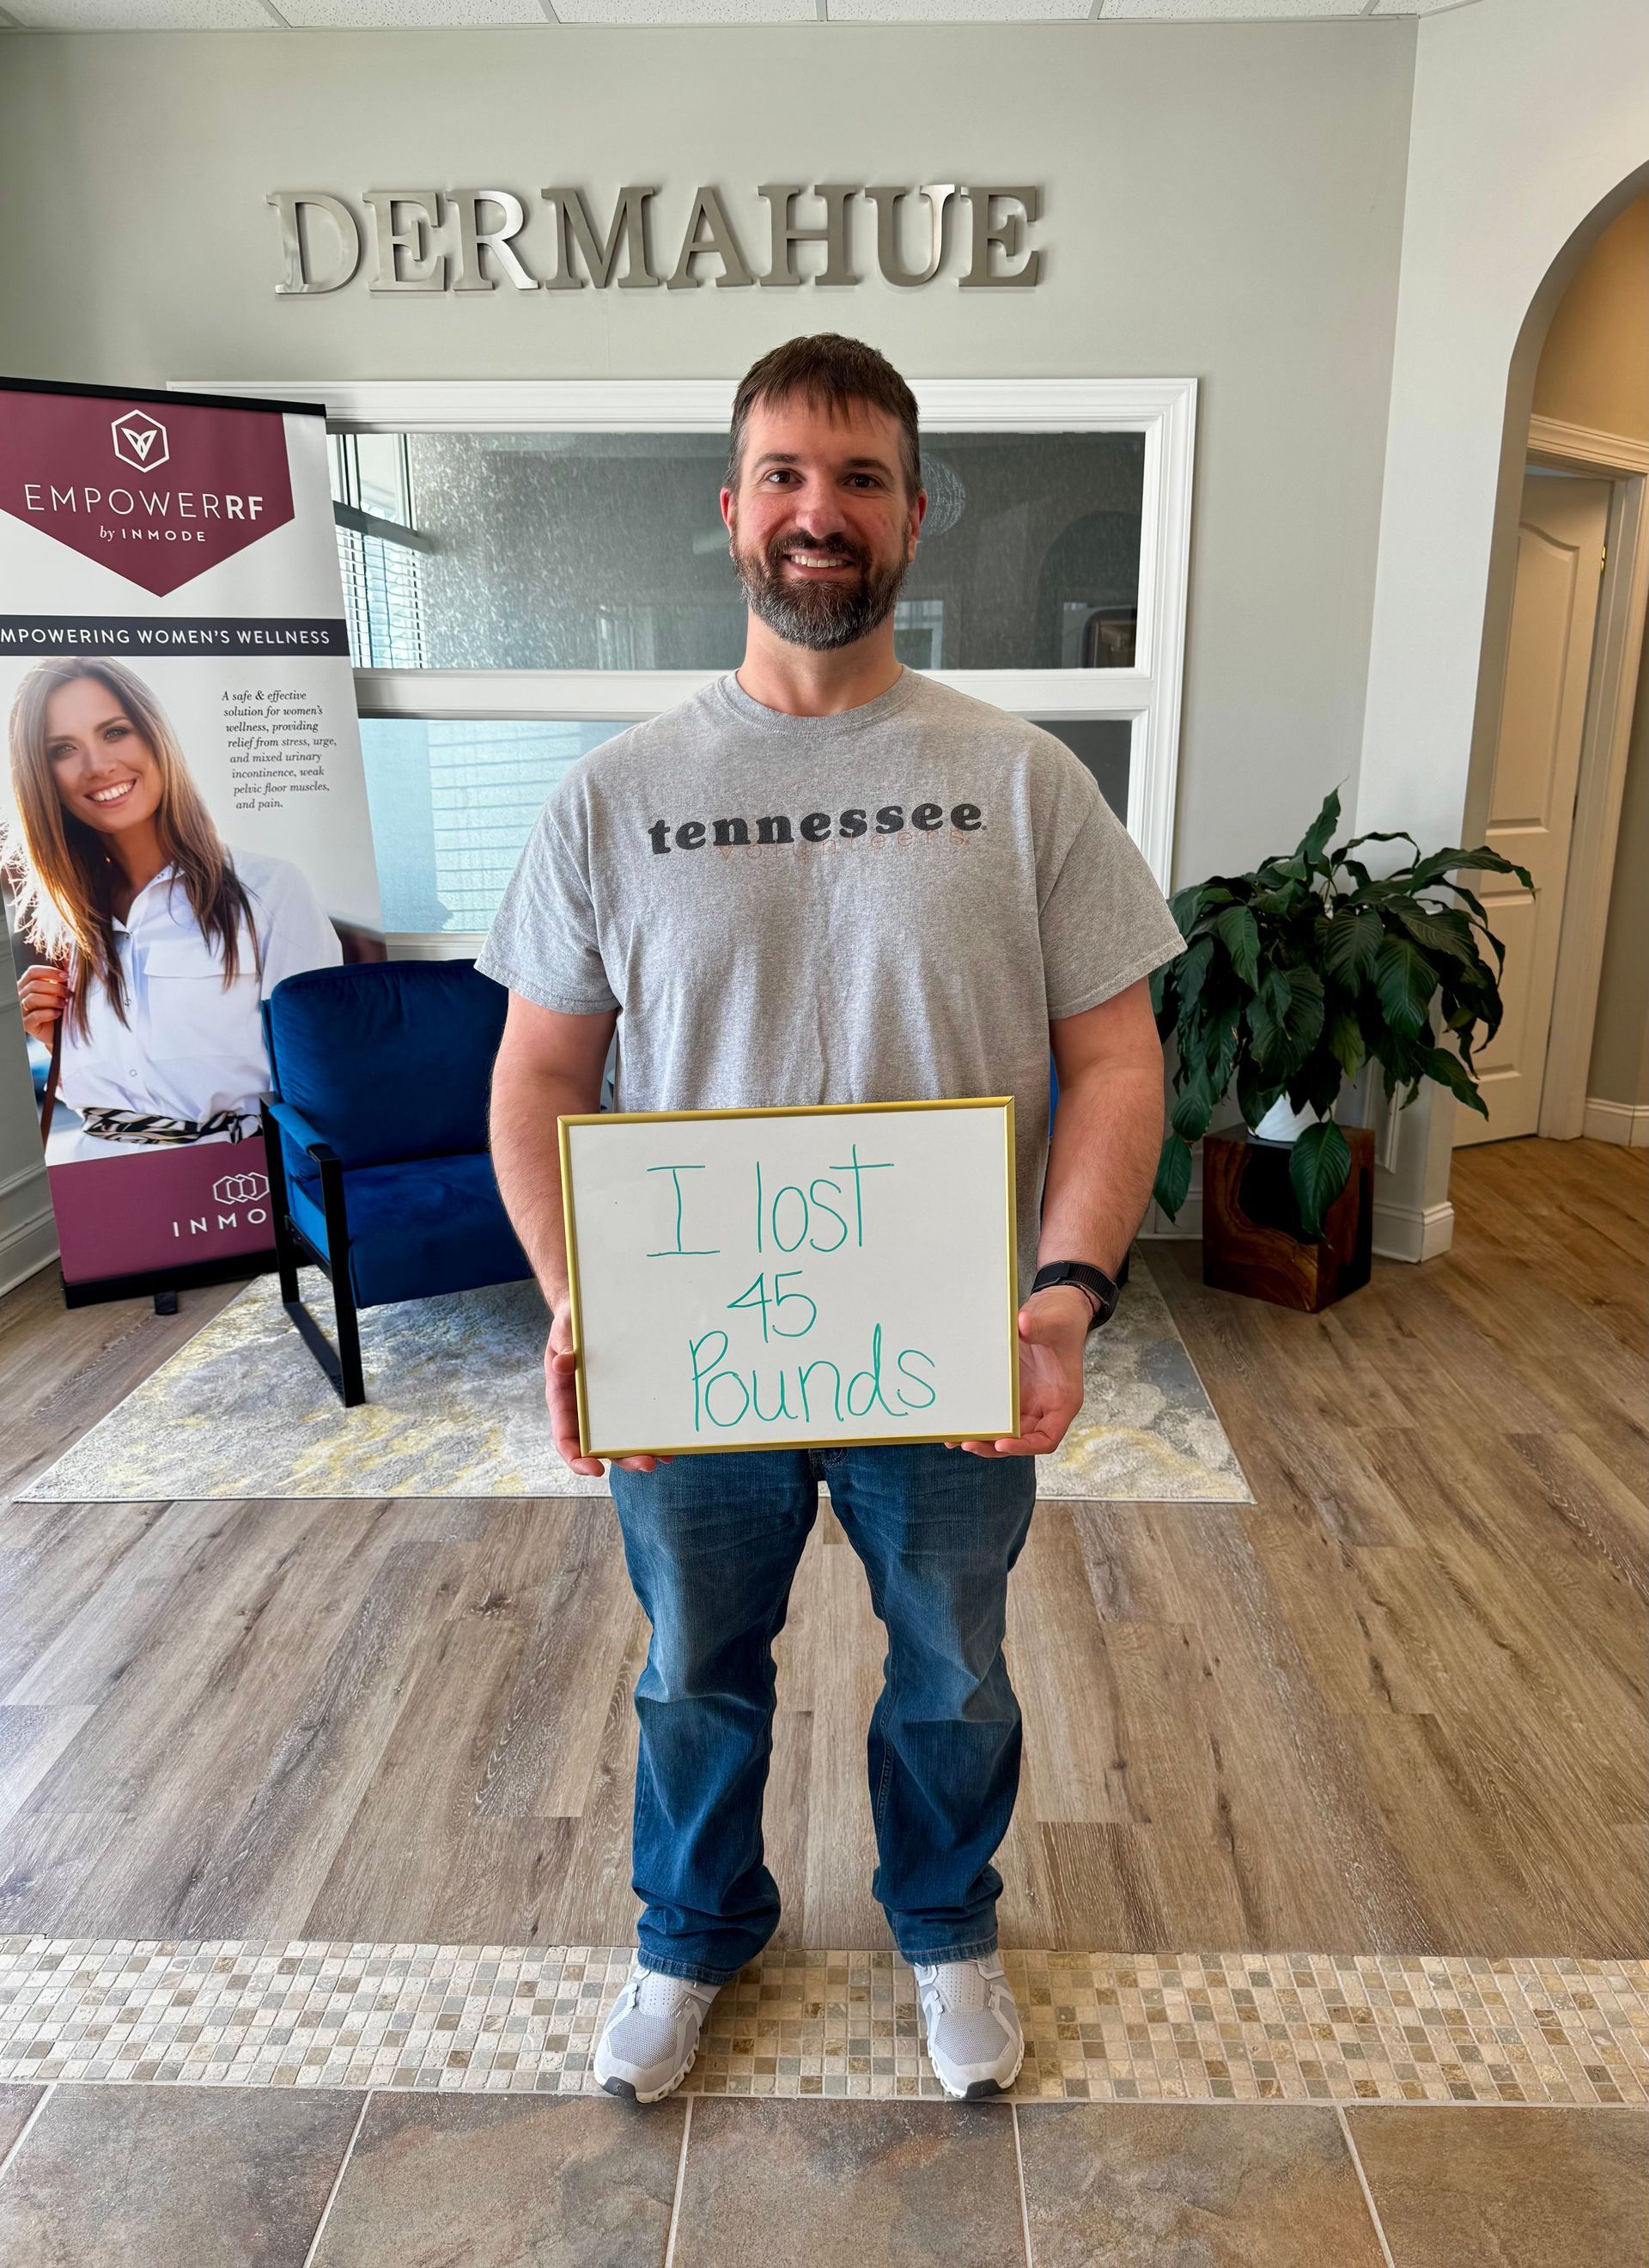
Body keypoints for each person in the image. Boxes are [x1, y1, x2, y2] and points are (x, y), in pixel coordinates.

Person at [481, 334, 1185, 2105]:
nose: (821, 510)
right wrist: (583, 1302)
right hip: (696, 1351)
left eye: (860, 478)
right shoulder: (612, 795)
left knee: (952, 1673)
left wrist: (1066, 1293)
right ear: (731, 511)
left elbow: (1116, 1063)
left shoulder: (1026, 783)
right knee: (692, 1673)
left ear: (915, 519)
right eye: (786, 474)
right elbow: (537, 1080)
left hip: (946, 1340)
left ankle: (946, 1929)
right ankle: (686, 1935)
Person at [4, 657, 341, 1164]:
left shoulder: (269, 891)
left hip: (242, 1187)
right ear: (41, 776)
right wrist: (57, 1043)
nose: (98, 765)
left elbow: (321, 1074)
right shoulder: (62, 922)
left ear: (154, 735)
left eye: (115, 731)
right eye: (64, 749)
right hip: (98, 1188)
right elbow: (107, 1097)